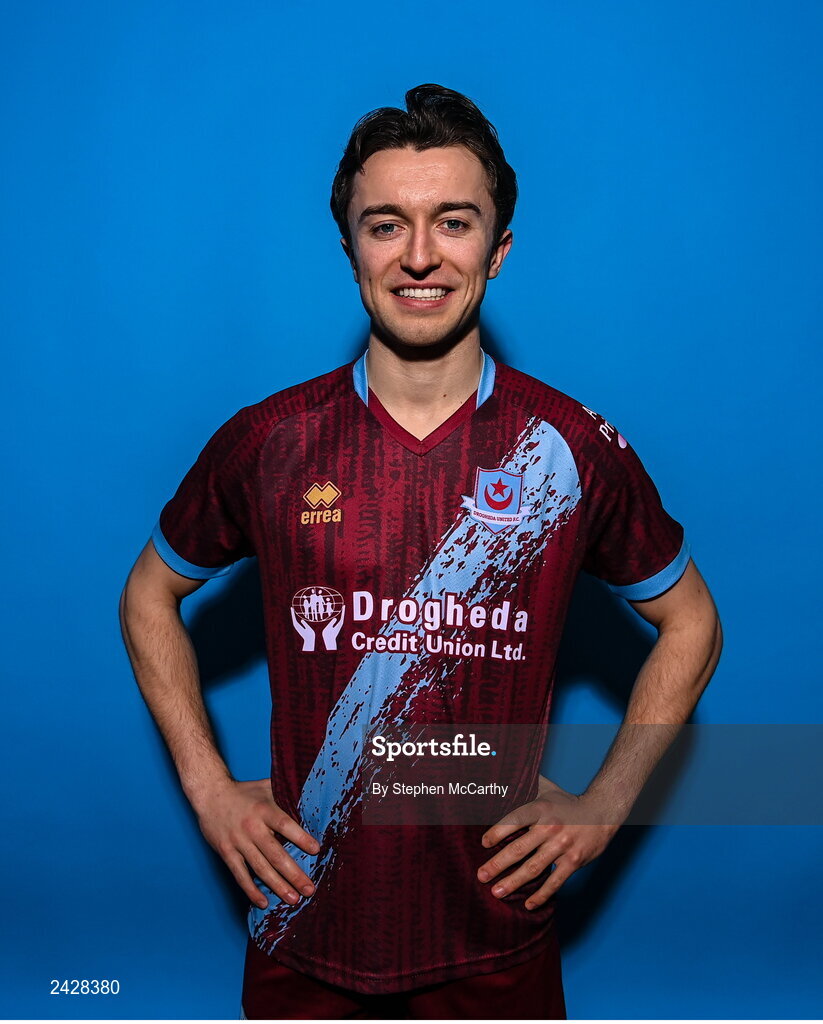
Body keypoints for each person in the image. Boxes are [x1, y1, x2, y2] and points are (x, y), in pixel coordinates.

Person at [119, 83, 722, 1019]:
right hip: (302, 929)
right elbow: (148, 594)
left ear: (497, 249)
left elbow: (691, 623)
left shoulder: (566, 451)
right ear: (350, 249)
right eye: (385, 225)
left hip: (496, 940)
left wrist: (604, 804)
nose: (419, 256)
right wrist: (208, 789)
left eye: (453, 222)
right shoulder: (268, 442)